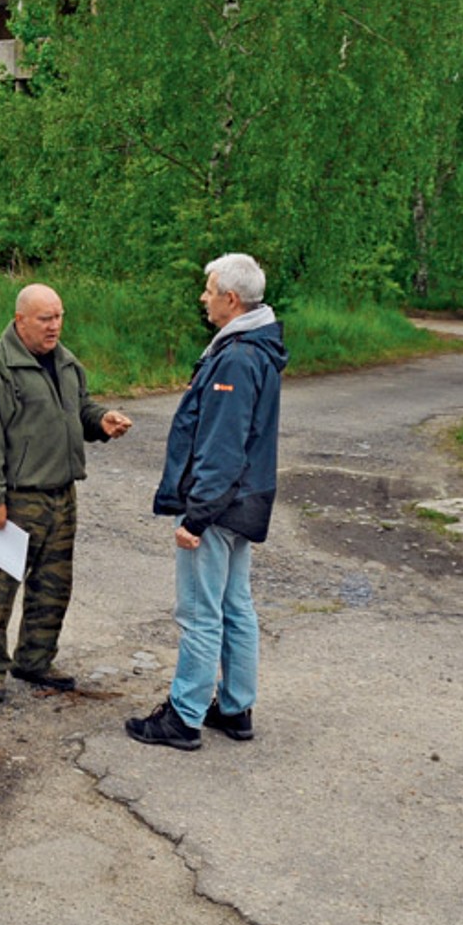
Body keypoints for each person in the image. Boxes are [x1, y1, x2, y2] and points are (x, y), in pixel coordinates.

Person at [127, 253, 287, 751]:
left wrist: (195, 517)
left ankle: (184, 715)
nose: (204, 297)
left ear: (231, 299)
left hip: (218, 506)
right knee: (235, 605)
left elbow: (222, 446)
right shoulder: (255, 347)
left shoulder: (237, 358)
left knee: (200, 610)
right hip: (244, 501)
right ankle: (236, 708)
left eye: (209, 289)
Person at [0, 283, 132, 704]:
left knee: (54, 586)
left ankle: (35, 660)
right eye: (45, 318)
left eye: (59, 316)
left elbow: (79, 410)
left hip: (62, 494)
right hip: (18, 498)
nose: (54, 326)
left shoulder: (67, 363)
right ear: (20, 319)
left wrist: (102, 421)